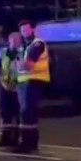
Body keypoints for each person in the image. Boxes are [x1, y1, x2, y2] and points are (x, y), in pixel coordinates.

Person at [14, 20, 50, 153]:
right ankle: (30, 143)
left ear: (33, 29)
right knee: (28, 113)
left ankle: (27, 144)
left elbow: (27, 65)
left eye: (26, 29)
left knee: (27, 112)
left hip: (34, 80)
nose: (24, 32)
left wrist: (20, 65)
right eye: (22, 30)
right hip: (25, 81)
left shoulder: (37, 44)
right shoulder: (26, 45)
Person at [0, 33, 23, 147]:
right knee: (4, 112)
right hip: (5, 86)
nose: (15, 42)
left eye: (17, 40)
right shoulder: (2, 53)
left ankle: (16, 137)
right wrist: (2, 81)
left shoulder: (23, 53)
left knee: (17, 113)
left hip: (18, 86)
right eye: (13, 40)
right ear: (9, 40)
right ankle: (5, 137)